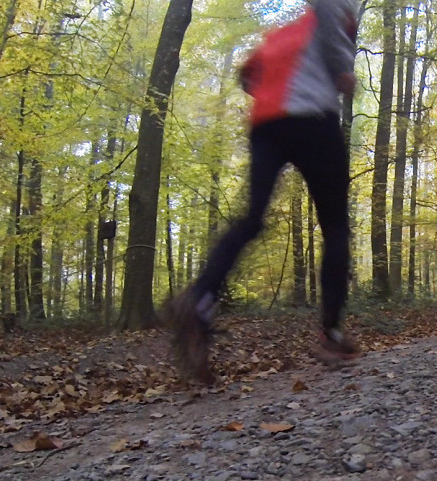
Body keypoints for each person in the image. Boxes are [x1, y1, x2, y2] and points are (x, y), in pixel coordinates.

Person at [171, 0, 360, 384]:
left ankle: (200, 301)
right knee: (336, 227)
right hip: (313, 121)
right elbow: (330, 21)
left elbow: (247, 75)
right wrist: (341, 69)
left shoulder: (278, 35)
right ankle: (332, 333)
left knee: (252, 218)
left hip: (265, 127)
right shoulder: (337, 9)